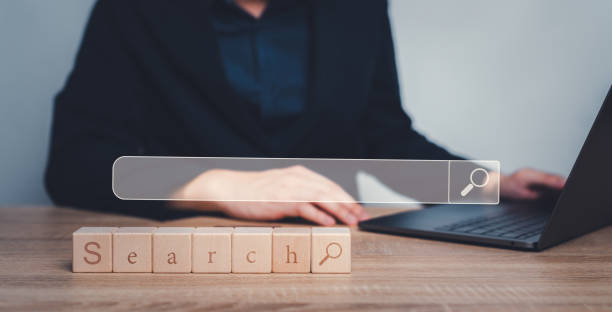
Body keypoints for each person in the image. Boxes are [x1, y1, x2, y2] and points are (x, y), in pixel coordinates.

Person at [45, 0, 565, 225]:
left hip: (342, 254)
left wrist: (491, 184)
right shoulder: (133, 9)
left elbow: (385, 138)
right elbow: (73, 164)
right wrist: (221, 186)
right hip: (193, 255)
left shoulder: (356, 8)